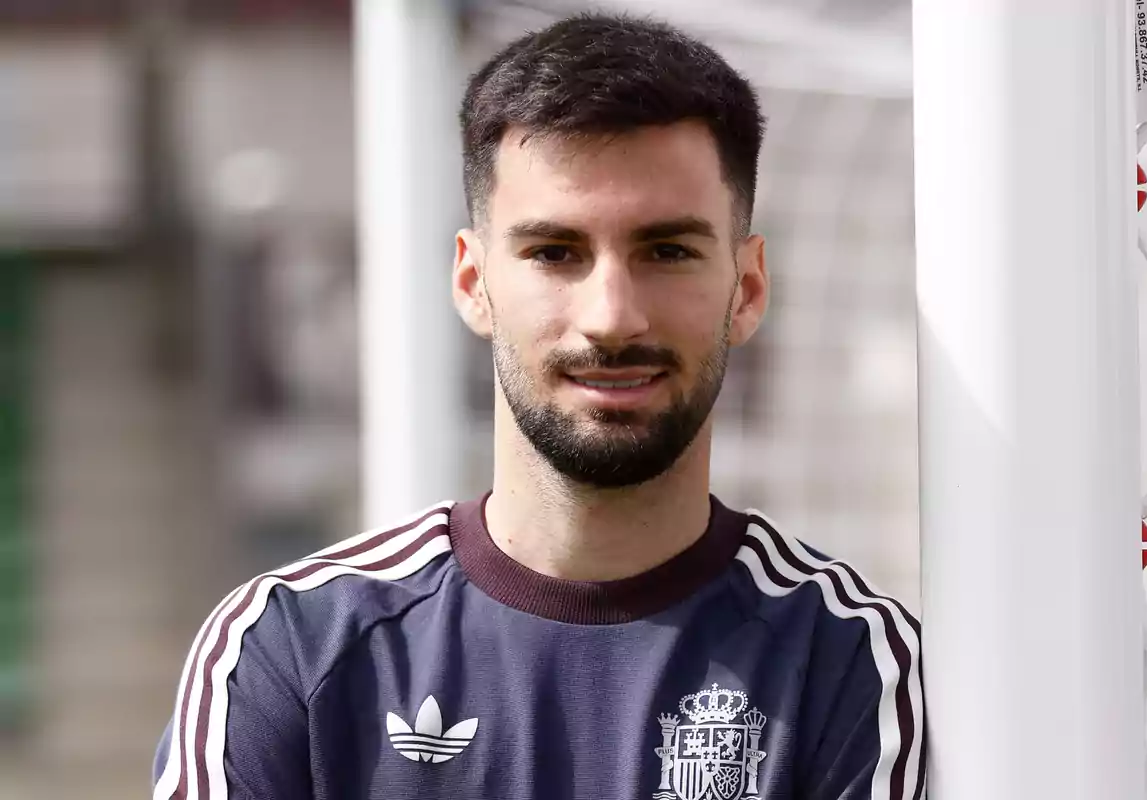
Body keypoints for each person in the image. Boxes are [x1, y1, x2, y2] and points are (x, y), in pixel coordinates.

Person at [152, 12, 924, 799]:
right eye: (555, 253)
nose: (611, 316)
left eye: (667, 251)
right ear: (472, 281)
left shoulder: (851, 660)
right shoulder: (289, 649)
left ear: (748, 288)